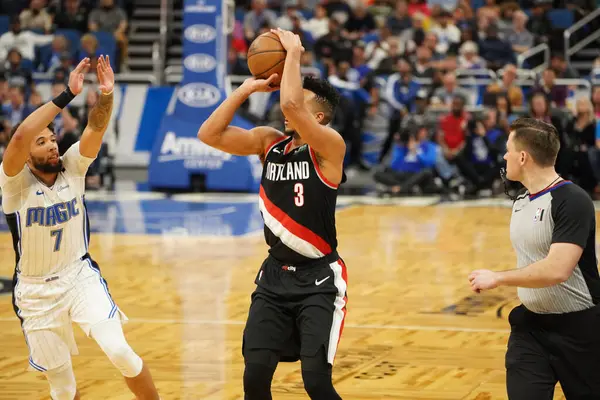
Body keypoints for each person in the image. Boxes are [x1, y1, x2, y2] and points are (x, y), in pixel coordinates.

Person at [197, 28, 347, 400]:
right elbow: (209, 135)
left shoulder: (330, 148)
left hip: (320, 280)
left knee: (316, 382)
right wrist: (245, 90)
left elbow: (291, 105)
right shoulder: (269, 143)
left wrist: (293, 52)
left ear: (321, 117)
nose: (288, 101)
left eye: (300, 99)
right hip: (274, 279)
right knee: (255, 378)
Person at [1, 56, 160, 400]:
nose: (52, 144)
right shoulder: (14, 184)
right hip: (34, 293)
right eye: (41, 142)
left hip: (79, 276)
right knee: (62, 386)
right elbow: (19, 137)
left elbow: (96, 128)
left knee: (120, 352)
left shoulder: (73, 167)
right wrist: (65, 95)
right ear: (26, 155)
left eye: (52, 138)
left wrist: (105, 94)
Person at [468, 118, 600, 399]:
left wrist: (498, 277)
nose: (504, 156)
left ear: (523, 156)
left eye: (508, 150)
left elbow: (557, 269)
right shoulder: (521, 201)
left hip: (581, 331)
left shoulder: (572, 200)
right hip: (531, 330)